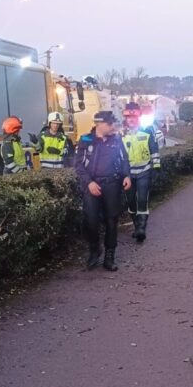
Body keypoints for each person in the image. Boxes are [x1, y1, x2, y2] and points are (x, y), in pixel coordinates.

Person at [75, 111, 131, 271]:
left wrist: (126, 175)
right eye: (110, 124)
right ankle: (94, 249)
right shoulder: (85, 140)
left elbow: (124, 158)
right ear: (100, 124)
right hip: (92, 186)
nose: (113, 126)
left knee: (111, 221)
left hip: (112, 184)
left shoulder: (117, 139)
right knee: (91, 221)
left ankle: (109, 256)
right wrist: (89, 183)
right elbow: (78, 165)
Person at [122, 102, 161, 243]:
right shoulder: (121, 134)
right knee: (131, 202)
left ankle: (141, 229)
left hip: (145, 171)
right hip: (128, 174)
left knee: (142, 200)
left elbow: (154, 150)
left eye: (134, 117)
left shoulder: (147, 131)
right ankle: (136, 225)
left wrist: (156, 168)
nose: (131, 120)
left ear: (138, 117)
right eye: (128, 117)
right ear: (125, 118)